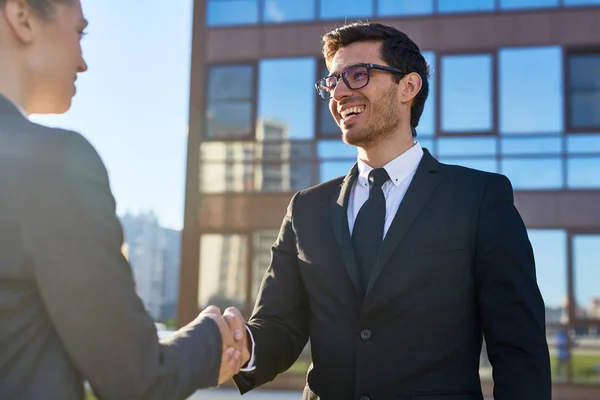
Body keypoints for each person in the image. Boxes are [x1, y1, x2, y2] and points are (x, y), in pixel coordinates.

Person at [228, 22, 552, 399]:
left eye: (357, 75)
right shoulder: (306, 209)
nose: (340, 93)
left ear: (408, 87)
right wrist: (240, 347)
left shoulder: (478, 198)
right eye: (332, 82)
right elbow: (279, 326)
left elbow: (519, 348)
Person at [0, 0, 249, 398]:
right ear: (22, 17)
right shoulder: (52, 164)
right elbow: (136, 379)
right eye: (79, 32)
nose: (83, 62)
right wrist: (212, 338)